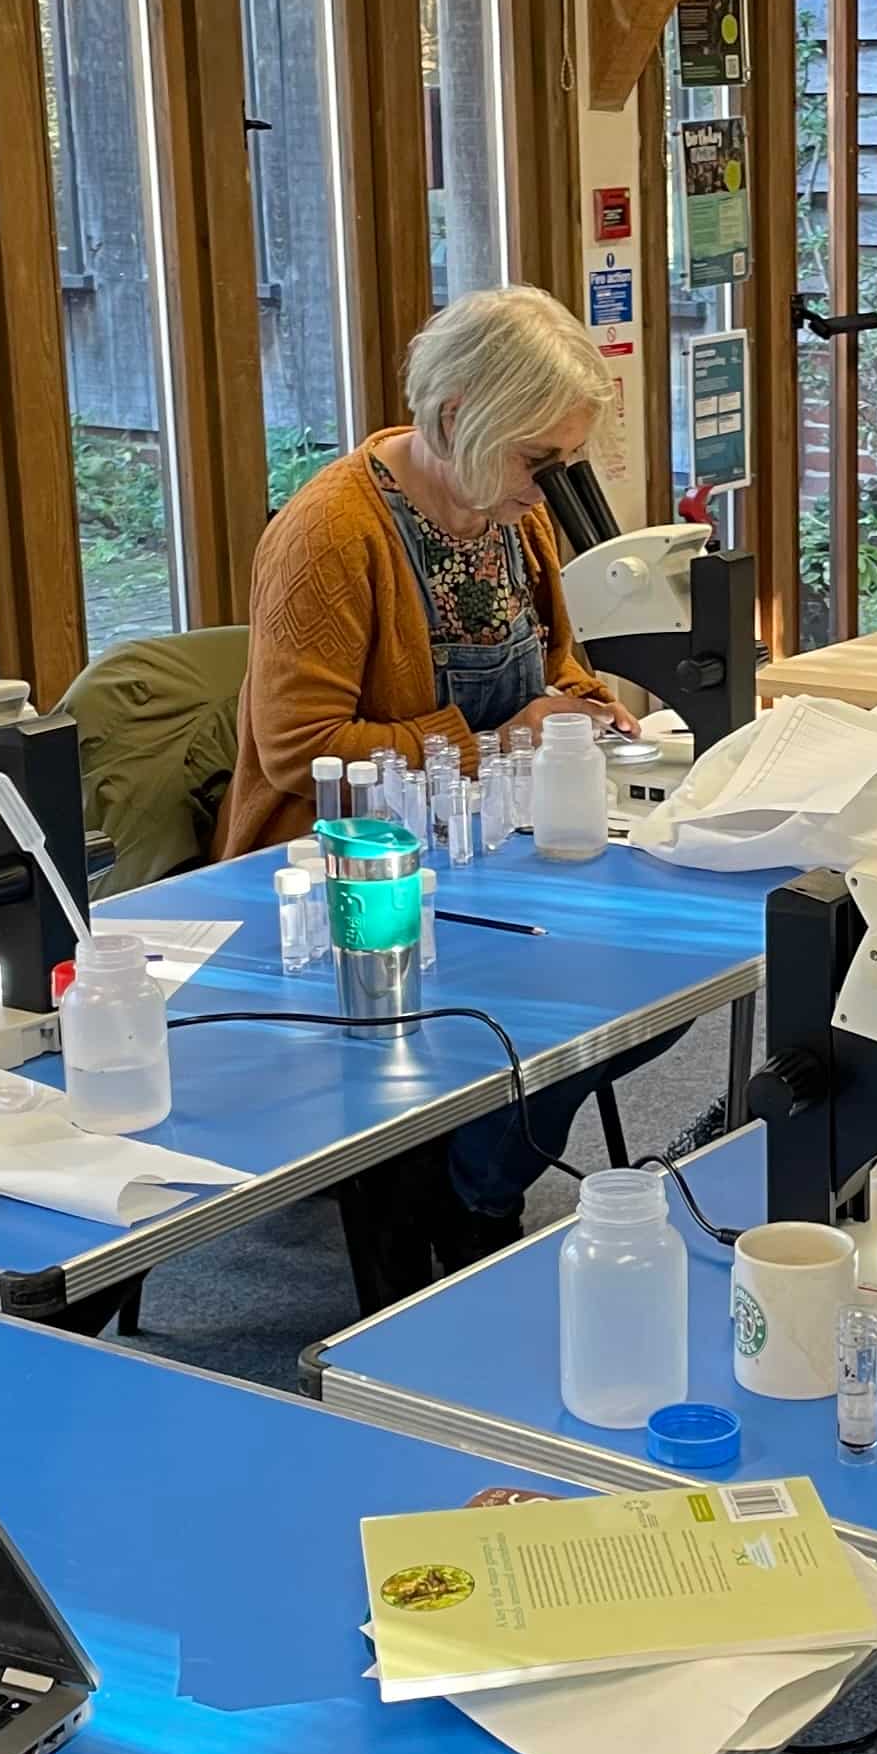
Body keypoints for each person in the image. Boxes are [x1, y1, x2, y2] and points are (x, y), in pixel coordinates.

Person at [227, 286, 637, 1299]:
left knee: (644, 996)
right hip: (341, 881)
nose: (548, 493)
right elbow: (298, 752)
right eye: (538, 461)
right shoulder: (329, 535)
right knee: (553, 993)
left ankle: (476, 1184)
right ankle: (449, 1194)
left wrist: (585, 708)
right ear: (456, 418)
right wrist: (499, 734)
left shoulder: (508, 522)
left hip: (484, 850)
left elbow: (562, 664)